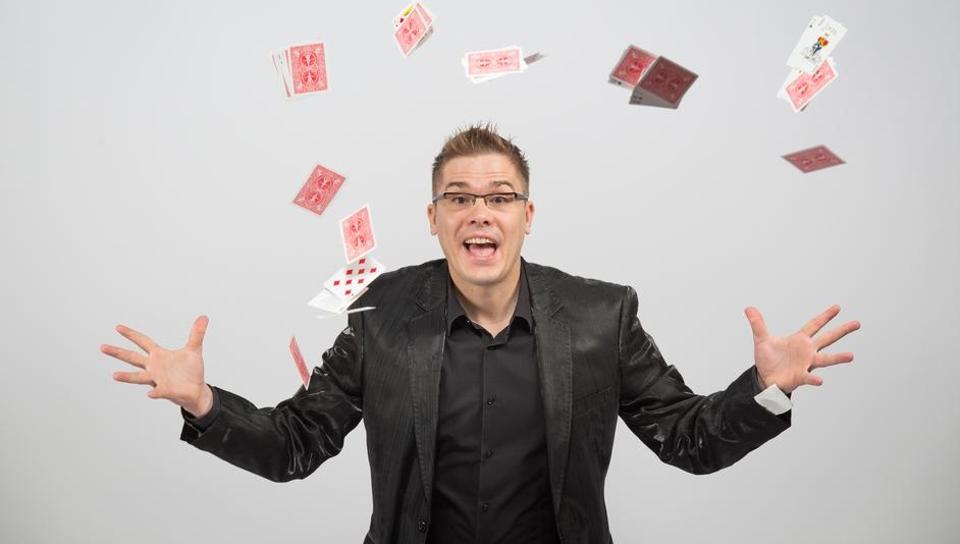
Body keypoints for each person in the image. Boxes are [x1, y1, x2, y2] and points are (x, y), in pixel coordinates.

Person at [101, 124, 860, 544]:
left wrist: (765, 391)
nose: (479, 212)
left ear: (528, 216)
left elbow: (688, 440)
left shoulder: (602, 316)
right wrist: (203, 404)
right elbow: (295, 444)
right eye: (458, 198)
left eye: (499, 197)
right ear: (433, 219)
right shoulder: (379, 314)